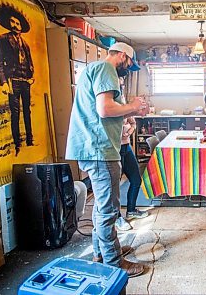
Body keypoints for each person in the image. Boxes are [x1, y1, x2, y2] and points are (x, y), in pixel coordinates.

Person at [65, 42, 147, 277]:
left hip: (94, 147)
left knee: (102, 207)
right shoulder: (106, 69)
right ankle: (113, 262)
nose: (127, 69)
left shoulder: (96, 70)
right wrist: (132, 105)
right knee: (109, 209)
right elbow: (105, 109)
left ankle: (102, 253)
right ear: (122, 55)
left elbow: (106, 110)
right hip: (99, 149)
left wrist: (132, 110)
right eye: (129, 64)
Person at [0, 2, 35, 155]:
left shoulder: (25, 43)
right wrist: (3, 82)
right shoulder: (3, 38)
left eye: (18, 23)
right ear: (8, 23)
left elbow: (30, 61)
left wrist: (32, 77)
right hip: (13, 80)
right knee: (15, 112)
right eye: (13, 22)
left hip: (25, 81)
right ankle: (17, 144)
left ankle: (30, 140)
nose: (15, 25)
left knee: (27, 111)